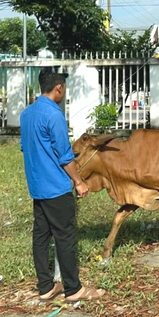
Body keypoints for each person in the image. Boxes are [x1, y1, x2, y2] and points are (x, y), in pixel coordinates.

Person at [20, 70, 105, 302]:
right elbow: (65, 156)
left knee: (41, 237)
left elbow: (26, 148)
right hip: (56, 188)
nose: (64, 92)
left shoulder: (26, 114)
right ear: (58, 88)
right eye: (64, 88)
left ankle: (45, 287)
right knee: (65, 237)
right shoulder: (54, 115)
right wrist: (79, 182)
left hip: (37, 188)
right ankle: (73, 289)